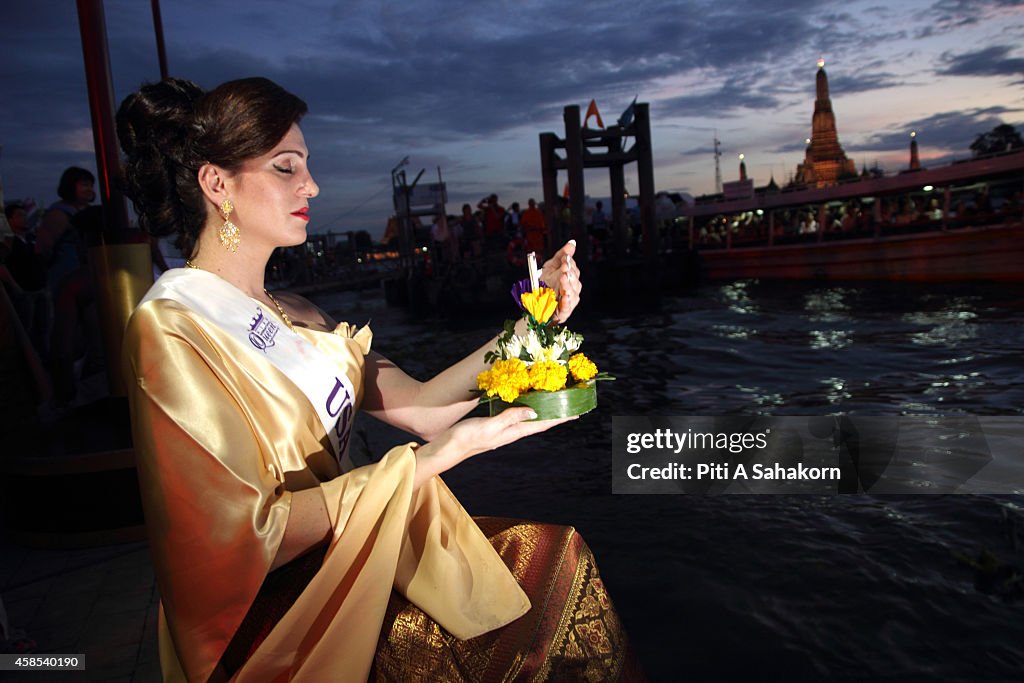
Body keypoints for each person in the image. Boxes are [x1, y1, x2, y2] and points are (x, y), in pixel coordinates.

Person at [117, 77, 640, 682]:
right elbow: (242, 537)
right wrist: (431, 460)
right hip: (278, 608)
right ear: (217, 183)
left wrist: (532, 323)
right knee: (528, 597)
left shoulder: (298, 310)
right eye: (286, 168)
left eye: (306, 166)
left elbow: (420, 406)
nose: (310, 185)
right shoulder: (174, 326)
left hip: (348, 549)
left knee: (557, 558)